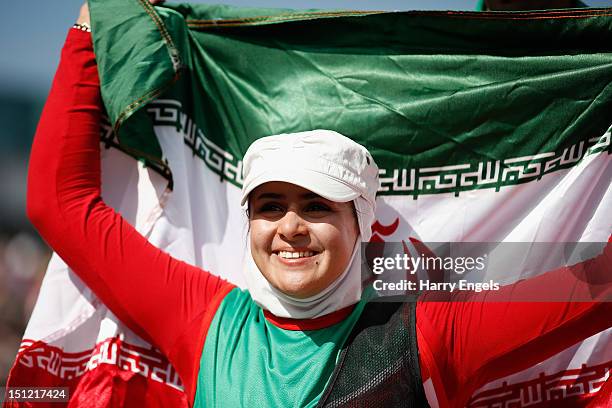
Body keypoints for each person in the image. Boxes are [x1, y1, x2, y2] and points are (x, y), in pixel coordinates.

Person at [23, 2, 611, 407]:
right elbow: (62, 207)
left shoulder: (430, 337)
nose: (291, 228)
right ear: (248, 222)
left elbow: (599, 286)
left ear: (361, 224)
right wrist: (88, 38)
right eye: (270, 206)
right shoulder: (207, 322)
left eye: (318, 206)